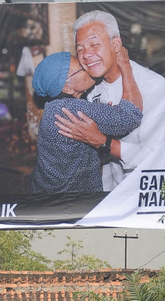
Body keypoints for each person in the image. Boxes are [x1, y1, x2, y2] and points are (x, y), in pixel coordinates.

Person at [55, 10, 165, 192]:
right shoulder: (89, 88)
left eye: (94, 44)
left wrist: (103, 141)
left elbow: (153, 157)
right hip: (110, 196)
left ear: (116, 44)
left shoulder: (153, 86)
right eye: (80, 49)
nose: (87, 55)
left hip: (149, 195)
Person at [29, 47, 143, 195]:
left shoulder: (54, 107)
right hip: (70, 205)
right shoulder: (71, 110)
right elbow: (130, 115)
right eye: (81, 68)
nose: (87, 67)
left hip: (42, 193)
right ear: (67, 88)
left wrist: (101, 115)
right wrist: (125, 66)